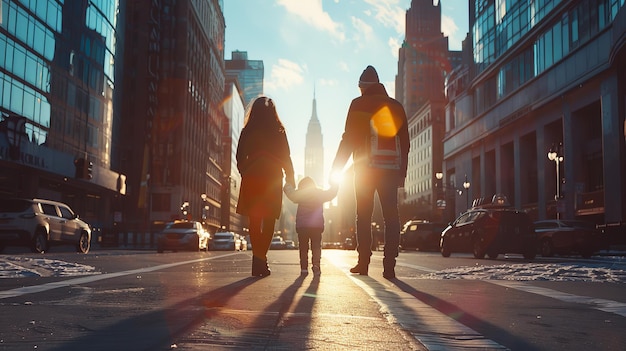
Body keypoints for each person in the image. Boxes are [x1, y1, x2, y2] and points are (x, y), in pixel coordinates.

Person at [330, 65, 410, 279]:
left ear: (363, 87)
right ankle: (389, 266)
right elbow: (405, 142)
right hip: (390, 169)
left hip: (365, 170)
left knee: (363, 215)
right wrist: (402, 172)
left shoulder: (358, 104)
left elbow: (348, 138)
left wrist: (336, 168)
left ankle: (363, 263)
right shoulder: (396, 106)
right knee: (391, 217)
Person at [236, 96, 296, 277]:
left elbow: (239, 156)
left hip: (252, 180)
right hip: (272, 180)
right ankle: (261, 260)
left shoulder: (248, 130)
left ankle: (258, 260)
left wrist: (245, 171)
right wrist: (290, 178)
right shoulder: (278, 131)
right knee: (269, 221)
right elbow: (286, 156)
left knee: (254, 221)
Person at [284, 177, 338, 275]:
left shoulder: (300, 194)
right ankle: (316, 265)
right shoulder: (319, 193)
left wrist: (288, 183)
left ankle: (304, 268)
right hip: (316, 226)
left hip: (302, 226)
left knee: (303, 248)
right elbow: (331, 193)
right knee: (316, 246)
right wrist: (335, 183)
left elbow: (290, 193)